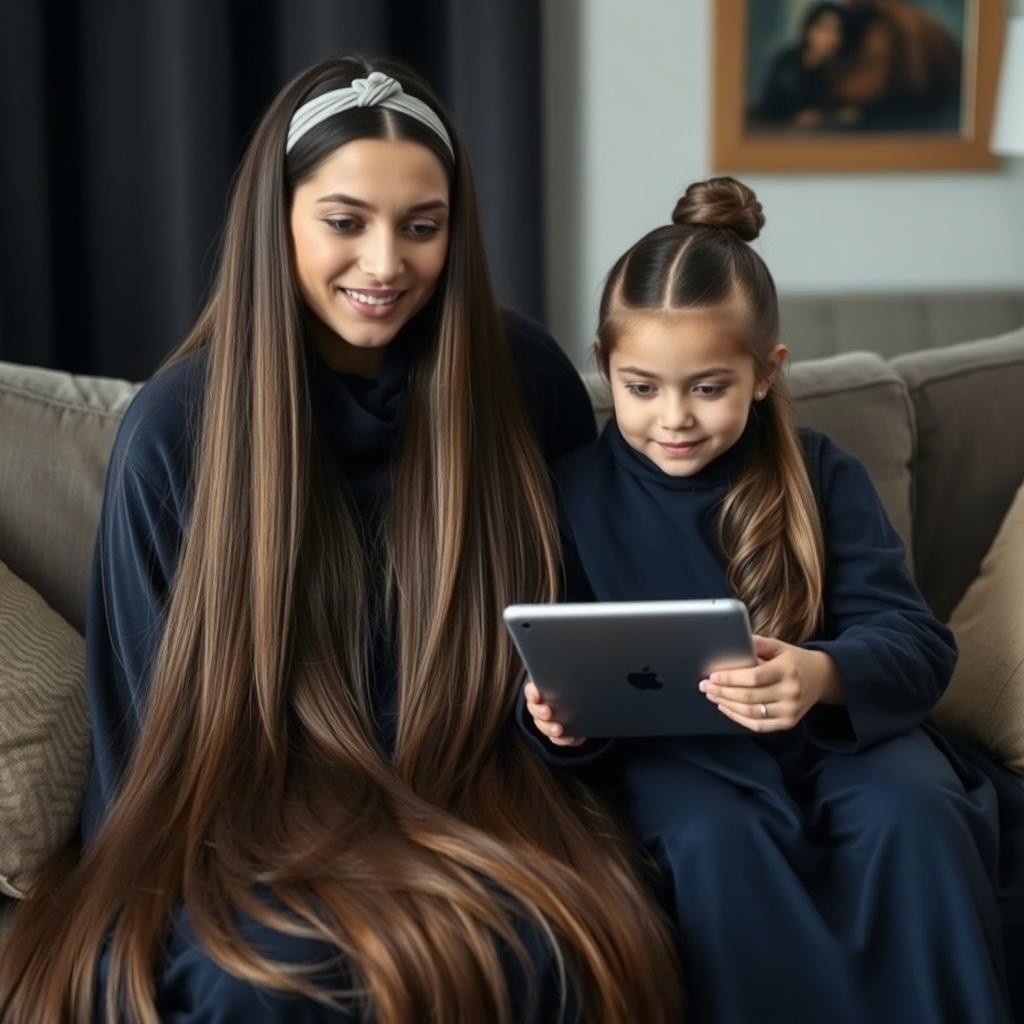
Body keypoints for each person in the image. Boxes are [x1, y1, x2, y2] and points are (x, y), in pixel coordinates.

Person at [0, 56, 682, 1023]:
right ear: (277, 222)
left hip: (491, 803)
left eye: (422, 227)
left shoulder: (522, 380)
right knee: (259, 982)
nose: (384, 264)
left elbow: (586, 639)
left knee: (553, 948)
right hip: (248, 827)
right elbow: (149, 736)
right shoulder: (176, 429)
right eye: (344, 221)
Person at [524, 176, 1024, 1023]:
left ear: (765, 374)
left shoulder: (821, 471)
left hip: (844, 740)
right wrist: (556, 721)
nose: (673, 418)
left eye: (708, 387)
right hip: (681, 761)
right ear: (606, 367)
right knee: (715, 839)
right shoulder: (567, 496)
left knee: (917, 813)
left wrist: (823, 674)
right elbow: (548, 661)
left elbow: (914, 639)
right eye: (641, 387)